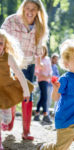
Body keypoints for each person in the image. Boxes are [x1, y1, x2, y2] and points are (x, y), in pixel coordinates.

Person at [38, 39, 74, 150]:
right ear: (67, 64)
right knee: (61, 147)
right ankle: (45, 148)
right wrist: (56, 88)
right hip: (67, 119)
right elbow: (55, 98)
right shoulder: (64, 79)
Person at [1, 0, 49, 140]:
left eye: (33, 9)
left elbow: (39, 49)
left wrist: (39, 61)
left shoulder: (40, 26)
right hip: (12, 62)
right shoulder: (12, 21)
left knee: (28, 92)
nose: (30, 11)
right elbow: (1, 37)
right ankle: (9, 121)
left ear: (38, 10)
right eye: (27, 8)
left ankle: (26, 131)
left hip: (28, 63)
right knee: (11, 90)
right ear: (23, 8)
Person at [0, 29, 32, 150]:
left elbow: (19, 73)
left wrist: (26, 91)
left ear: (5, 45)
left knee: (7, 120)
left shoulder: (8, 57)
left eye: (1, 43)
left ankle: (10, 112)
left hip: (7, 90)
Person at [34, 45, 52, 124]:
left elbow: (50, 70)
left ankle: (37, 113)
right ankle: (45, 115)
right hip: (41, 80)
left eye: (43, 50)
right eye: (40, 50)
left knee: (42, 97)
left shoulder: (48, 59)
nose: (42, 52)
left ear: (45, 50)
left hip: (47, 80)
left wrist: (50, 75)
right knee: (45, 97)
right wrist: (42, 75)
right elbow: (35, 72)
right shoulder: (38, 59)